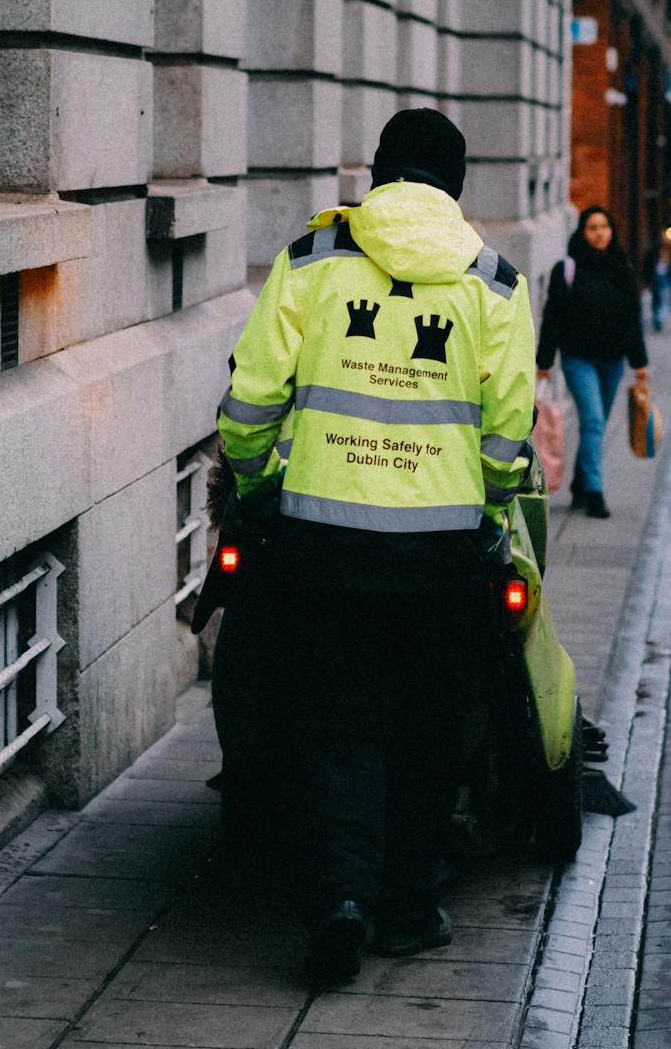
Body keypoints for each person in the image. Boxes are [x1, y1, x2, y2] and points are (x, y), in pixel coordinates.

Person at [216, 108, 536, 987]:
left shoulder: (312, 262)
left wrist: (257, 486)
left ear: (378, 176)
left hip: (322, 546)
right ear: (456, 183)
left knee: (336, 726)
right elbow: (509, 434)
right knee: (428, 733)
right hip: (438, 558)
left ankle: (339, 901)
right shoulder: (497, 287)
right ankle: (402, 907)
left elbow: (249, 402)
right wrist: (490, 511)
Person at [536, 206, 650, 519]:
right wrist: (544, 360)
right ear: (582, 233)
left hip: (612, 361)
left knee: (593, 428)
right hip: (578, 359)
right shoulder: (568, 270)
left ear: (612, 230)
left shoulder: (622, 268)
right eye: (592, 227)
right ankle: (595, 493)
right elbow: (553, 318)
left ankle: (579, 481)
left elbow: (632, 319)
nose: (599, 233)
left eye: (604, 226)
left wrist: (639, 362)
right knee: (594, 422)